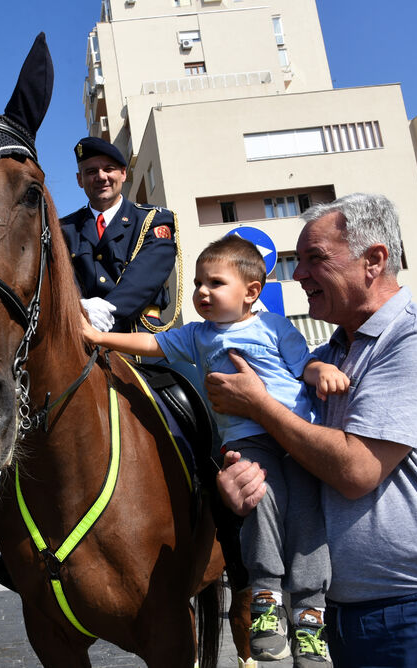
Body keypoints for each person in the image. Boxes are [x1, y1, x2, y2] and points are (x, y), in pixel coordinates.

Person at [209, 193, 417, 667]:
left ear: (374, 260)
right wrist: (242, 486)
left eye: (315, 259)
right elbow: (300, 459)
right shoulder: (326, 357)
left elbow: (356, 468)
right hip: (345, 617)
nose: (297, 275)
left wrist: (259, 403)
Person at [83, 235, 348, 666]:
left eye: (215, 283)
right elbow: (153, 345)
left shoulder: (275, 327)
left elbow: (304, 366)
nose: (202, 292)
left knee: (308, 523)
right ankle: (264, 600)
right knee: (258, 509)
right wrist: (99, 337)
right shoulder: (197, 335)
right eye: (198, 284)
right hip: (247, 442)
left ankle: (310, 618)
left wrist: (325, 371)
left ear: (251, 292)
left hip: (296, 435)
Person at [60, 137, 177, 334]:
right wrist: (80, 309)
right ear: (80, 180)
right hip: (80, 336)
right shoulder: (64, 229)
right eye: (91, 171)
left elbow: (145, 277)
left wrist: (104, 312)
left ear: (123, 173)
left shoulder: (152, 220)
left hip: (140, 339)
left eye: (108, 169)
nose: (101, 176)